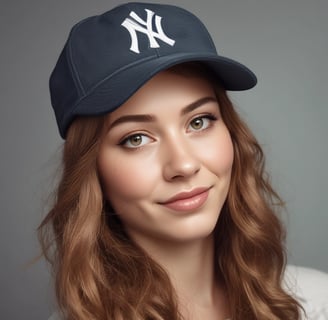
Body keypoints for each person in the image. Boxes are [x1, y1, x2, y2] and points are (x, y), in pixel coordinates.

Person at [39, 2, 304, 319]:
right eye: (136, 138)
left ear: (232, 131)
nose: (183, 165)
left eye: (199, 121)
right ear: (92, 170)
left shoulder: (315, 304)